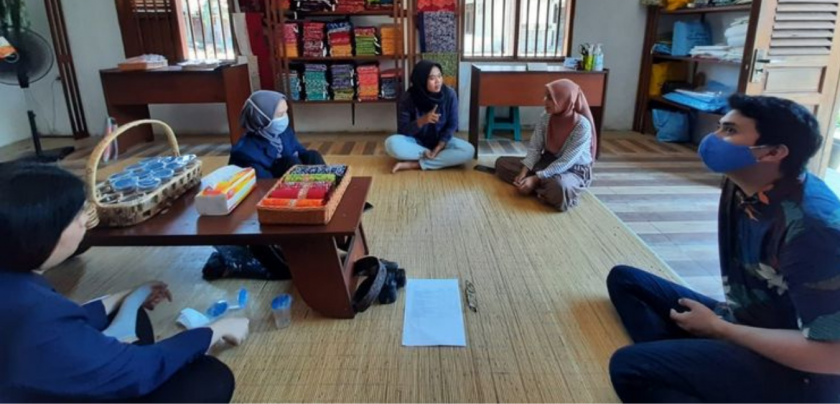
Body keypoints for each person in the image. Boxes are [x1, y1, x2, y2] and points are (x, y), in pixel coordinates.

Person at [607, 94, 840, 402]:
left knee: (628, 366)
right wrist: (718, 331)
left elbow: (831, 356)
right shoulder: (740, 183)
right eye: (719, 126)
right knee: (625, 280)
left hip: (801, 375)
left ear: (773, 152)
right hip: (746, 322)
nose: (713, 138)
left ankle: (685, 372)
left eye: (729, 131)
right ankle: (691, 371)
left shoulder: (814, 229)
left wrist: (720, 329)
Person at [0, 162, 249, 403]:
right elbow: (140, 371)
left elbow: (58, 328)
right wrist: (216, 329)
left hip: (34, 373)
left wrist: (120, 298)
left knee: (130, 314)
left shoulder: (16, 284)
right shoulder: (38, 314)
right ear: (39, 233)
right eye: (75, 215)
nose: (84, 221)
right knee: (209, 378)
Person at [494, 79, 596, 212]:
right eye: (546, 96)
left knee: (559, 188)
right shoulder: (546, 117)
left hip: (572, 170)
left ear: (564, 100)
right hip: (546, 162)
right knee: (501, 163)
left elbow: (566, 161)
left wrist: (535, 179)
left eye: (550, 98)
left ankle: (540, 188)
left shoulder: (582, 126)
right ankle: (541, 190)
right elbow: (535, 148)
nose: (544, 100)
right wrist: (524, 172)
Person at [386, 60, 474, 173]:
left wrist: (439, 147)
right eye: (432, 78)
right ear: (422, 80)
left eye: (439, 76)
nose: (438, 81)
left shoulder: (449, 94)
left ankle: (417, 164)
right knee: (391, 143)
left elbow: (452, 124)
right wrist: (422, 121)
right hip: (416, 143)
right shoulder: (408, 98)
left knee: (468, 150)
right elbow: (403, 130)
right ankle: (430, 156)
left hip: (441, 142)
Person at [230, 90, 325, 179]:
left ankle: (328, 184)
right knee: (292, 163)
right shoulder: (245, 153)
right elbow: (265, 183)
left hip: (286, 174)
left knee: (312, 155)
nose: (285, 117)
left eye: (286, 112)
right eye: (280, 115)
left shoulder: (284, 132)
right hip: (270, 184)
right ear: (262, 119)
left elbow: (300, 150)